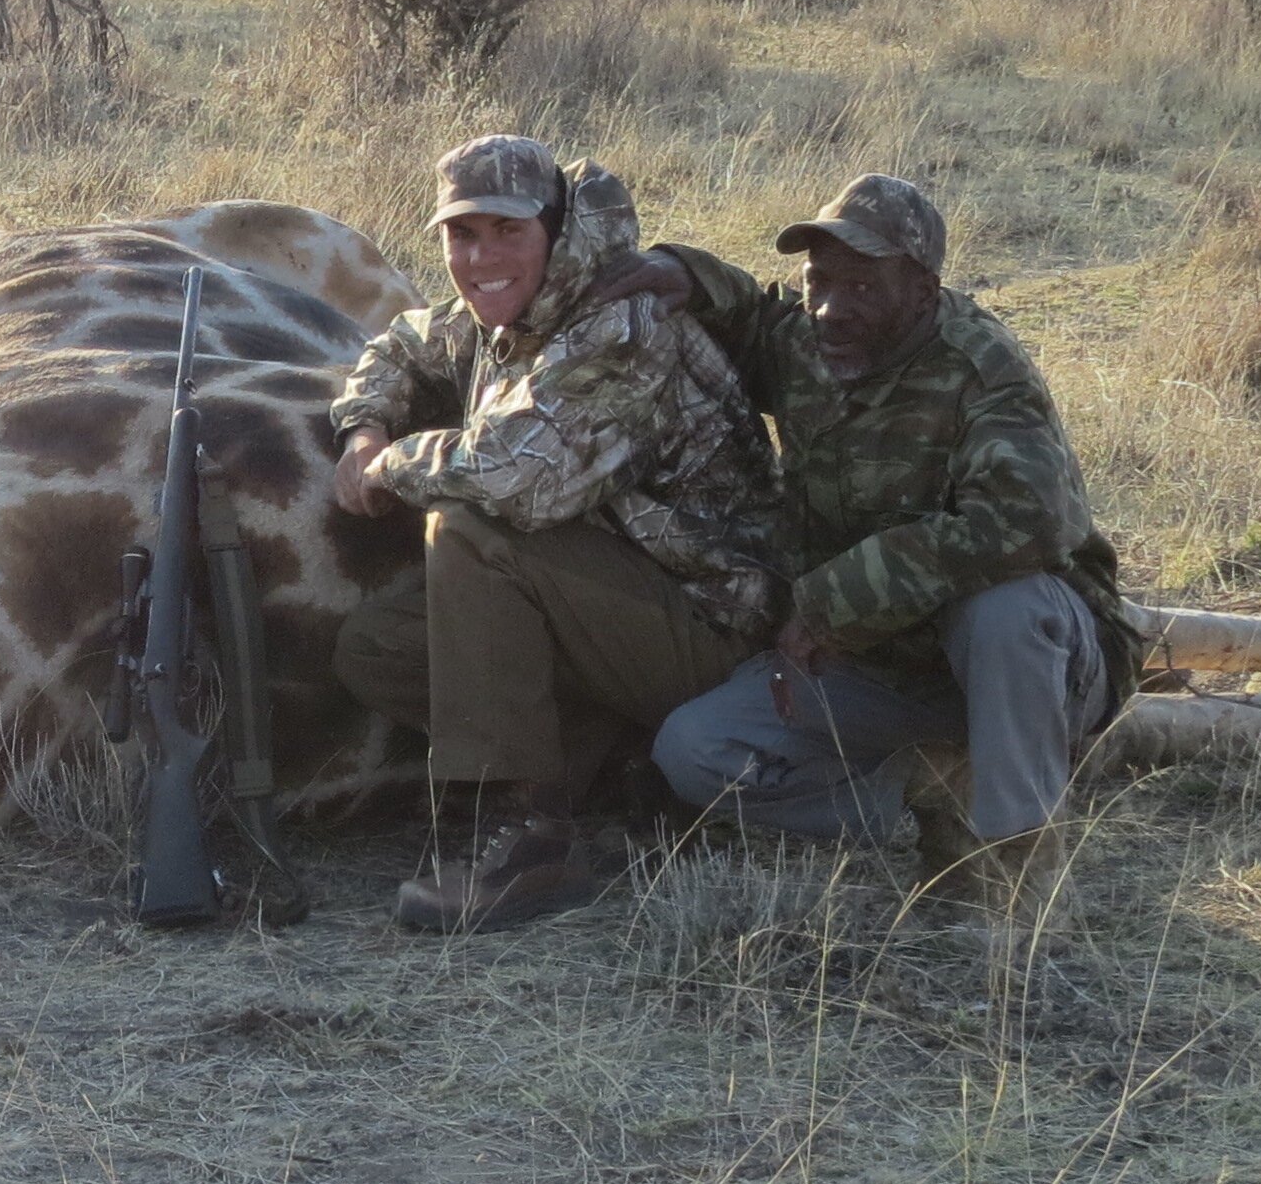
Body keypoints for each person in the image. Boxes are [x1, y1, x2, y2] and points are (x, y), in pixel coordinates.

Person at [638, 173, 1139, 915]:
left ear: (923, 290)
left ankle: (1014, 866)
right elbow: (750, 316)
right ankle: (926, 791)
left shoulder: (984, 370)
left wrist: (831, 602)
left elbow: (1025, 523)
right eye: (819, 281)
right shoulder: (809, 338)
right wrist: (683, 271)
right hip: (883, 669)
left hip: (1033, 669)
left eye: (865, 288)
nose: (834, 309)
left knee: (1003, 606)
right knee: (695, 751)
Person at [330, 135, 780, 934]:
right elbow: (402, 343)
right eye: (461, 235)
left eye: (508, 231)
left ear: (556, 231)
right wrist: (363, 427)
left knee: (470, 528)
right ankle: (610, 763)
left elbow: (519, 481)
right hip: (614, 606)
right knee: (378, 649)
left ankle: (532, 840)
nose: (481, 256)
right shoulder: (509, 312)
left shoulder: (624, 326)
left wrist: (389, 465)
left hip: (713, 626)